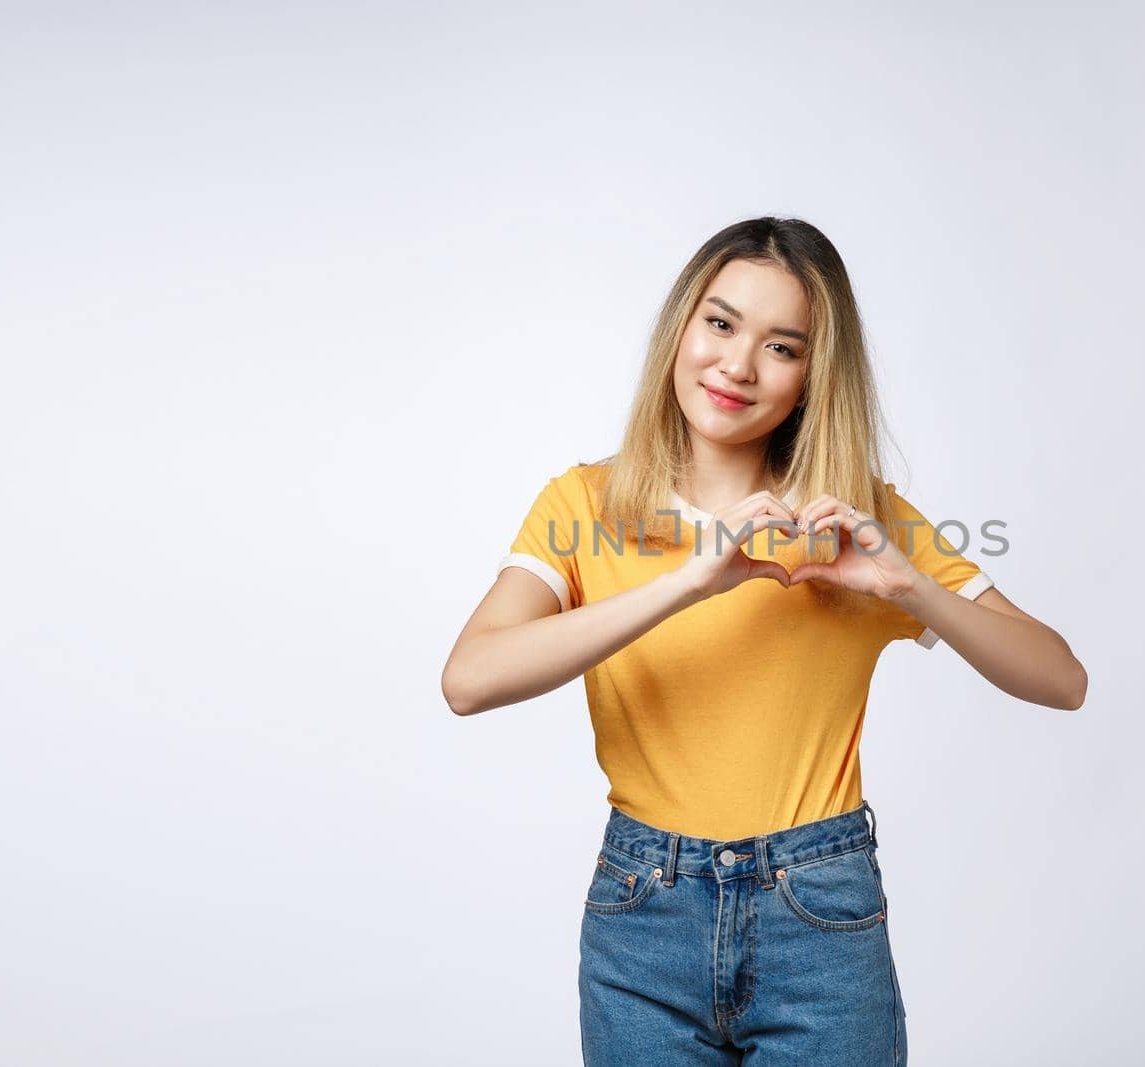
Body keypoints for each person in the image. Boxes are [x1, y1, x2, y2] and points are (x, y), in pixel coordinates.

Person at [441, 216, 1088, 1065]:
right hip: (644, 920)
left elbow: (1061, 677)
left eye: (782, 346)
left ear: (815, 375)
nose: (737, 365)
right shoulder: (583, 506)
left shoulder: (856, 519)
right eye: (720, 323)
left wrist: (913, 588)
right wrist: (686, 582)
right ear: (682, 326)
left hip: (820, 917)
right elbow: (469, 679)